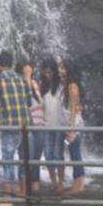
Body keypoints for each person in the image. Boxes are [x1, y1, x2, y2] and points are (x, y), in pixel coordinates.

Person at [0, 50, 30, 196]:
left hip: (9, 125)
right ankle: (24, 191)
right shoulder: (21, 79)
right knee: (23, 158)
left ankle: (8, 195)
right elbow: (27, 99)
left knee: (8, 159)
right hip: (24, 125)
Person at [16, 57, 46, 193]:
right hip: (26, 124)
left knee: (36, 157)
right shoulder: (18, 83)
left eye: (29, 68)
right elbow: (25, 99)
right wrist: (27, 78)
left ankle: (35, 181)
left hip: (40, 123)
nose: (29, 70)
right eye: (26, 69)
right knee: (27, 155)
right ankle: (23, 185)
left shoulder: (34, 83)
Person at [59, 60, 85, 194]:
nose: (59, 69)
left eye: (62, 67)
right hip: (68, 126)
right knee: (74, 155)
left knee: (75, 156)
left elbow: (73, 110)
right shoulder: (66, 85)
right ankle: (79, 184)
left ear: (68, 70)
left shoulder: (72, 86)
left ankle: (78, 186)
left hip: (74, 127)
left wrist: (71, 130)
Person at [41, 57, 65, 192]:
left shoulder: (62, 85)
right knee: (48, 154)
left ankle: (61, 182)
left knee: (58, 154)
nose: (47, 75)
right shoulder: (43, 86)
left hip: (60, 126)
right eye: (45, 72)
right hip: (47, 125)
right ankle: (54, 182)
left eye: (50, 72)